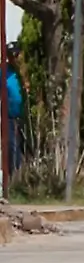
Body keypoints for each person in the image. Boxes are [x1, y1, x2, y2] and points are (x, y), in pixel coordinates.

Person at [3, 44, 23, 178]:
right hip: (8, 116)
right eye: (11, 55)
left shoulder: (22, 72)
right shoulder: (3, 72)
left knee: (20, 147)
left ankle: (20, 176)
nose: (14, 58)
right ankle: (11, 177)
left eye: (16, 55)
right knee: (11, 146)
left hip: (22, 116)